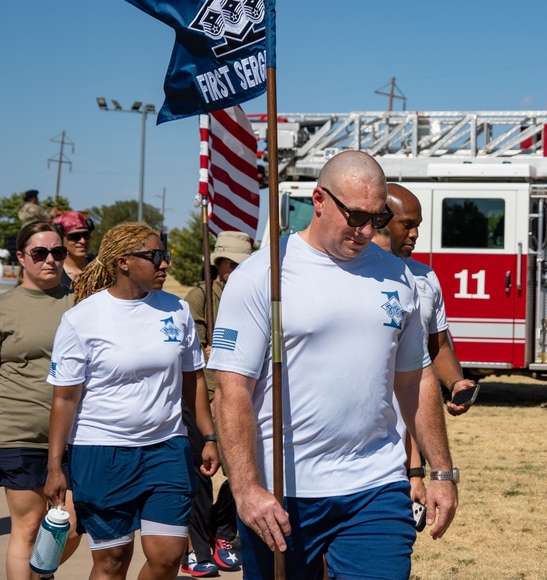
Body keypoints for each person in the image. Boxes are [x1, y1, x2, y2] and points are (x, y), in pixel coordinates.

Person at [208, 151, 458, 579]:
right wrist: (247, 490)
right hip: (283, 493)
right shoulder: (262, 275)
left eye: (377, 219)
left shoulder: (398, 277)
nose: (365, 231)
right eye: (355, 216)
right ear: (319, 199)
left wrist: (441, 471)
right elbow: (231, 392)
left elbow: (415, 379)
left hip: (374, 487)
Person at [44, 222, 220, 580]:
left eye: (165, 256)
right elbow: (64, 399)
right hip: (101, 451)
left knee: (169, 556)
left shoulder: (177, 310)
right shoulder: (81, 319)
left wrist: (209, 435)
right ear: (123, 262)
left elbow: (193, 379)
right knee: (113, 560)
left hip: (166, 449)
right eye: (154, 257)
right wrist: (54, 466)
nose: (164, 265)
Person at [0, 221, 82, 580]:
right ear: (21, 257)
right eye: (40, 252)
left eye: (58, 252)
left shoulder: (82, 301)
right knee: (30, 527)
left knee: (73, 527)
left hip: (77, 435)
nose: (50, 260)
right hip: (19, 432)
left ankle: (35, 575)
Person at [384, 183, 478, 504]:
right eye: (406, 225)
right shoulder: (353, 275)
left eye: (418, 226)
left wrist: (455, 383)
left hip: (412, 433)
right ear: (381, 219)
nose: (414, 234)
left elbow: (438, 347)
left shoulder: (426, 278)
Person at [181, 230, 252, 576]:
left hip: (242, 396)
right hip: (203, 399)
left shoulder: (255, 292)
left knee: (241, 469)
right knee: (200, 476)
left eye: (243, 264)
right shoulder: (200, 296)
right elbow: (192, 347)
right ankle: (197, 546)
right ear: (219, 262)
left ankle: (224, 534)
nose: (236, 270)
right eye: (232, 264)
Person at [52, 210, 95, 291]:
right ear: (61, 239)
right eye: (74, 236)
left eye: (86, 235)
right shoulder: (53, 274)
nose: (82, 241)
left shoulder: (101, 269)